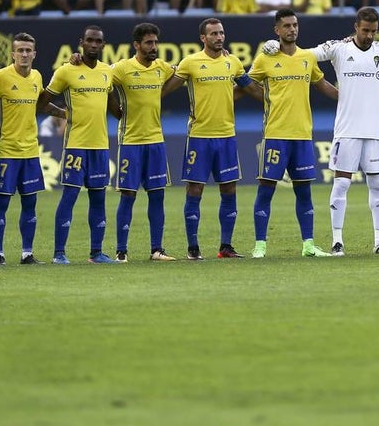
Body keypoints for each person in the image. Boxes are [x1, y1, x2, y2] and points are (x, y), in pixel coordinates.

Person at [161, 17, 258, 261]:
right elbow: (164, 89)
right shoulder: (190, 63)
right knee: (194, 190)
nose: (219, 37)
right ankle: (193, 248)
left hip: (226, 136)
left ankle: (226, 246)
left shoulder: (232, 62)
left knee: (229, 189)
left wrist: (276, 95)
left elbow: (250, 88)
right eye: (213, 34)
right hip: (199, 137)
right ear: (203, 38)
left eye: (221, 33)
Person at [245, 9, 340, 258]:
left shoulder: (307, 58)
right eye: (286, 26)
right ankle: (260, 245)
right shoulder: (265, 59)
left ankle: (308, 244)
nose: (292, 29)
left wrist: (349, 97)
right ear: (277, 30)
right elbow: (246, 84)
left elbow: (323, 85)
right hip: (275, 134)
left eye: (295, 25)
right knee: (266, 189)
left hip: (302, 136)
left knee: (304, 191)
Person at [34, 26, 123, 264]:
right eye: (90, 41)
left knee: (98, 198)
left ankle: (96, 253)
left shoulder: (107, 72)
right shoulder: (66, 71)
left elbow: (115, 107)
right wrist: (64, 113)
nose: (94, 45)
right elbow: (42, 103)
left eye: (98, 41)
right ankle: (59, 253)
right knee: (70, 196)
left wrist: (136, 109)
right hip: (75, 144)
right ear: (81, 42)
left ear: (104, 45)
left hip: (100, 146)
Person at [0, 33, 65, 265]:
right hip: (7, 151)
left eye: (27, 50)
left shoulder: (37, 77)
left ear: (34, 54)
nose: (23, 54)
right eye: (19, 50)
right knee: (2, 202)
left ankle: (26, 253)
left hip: (31, 151)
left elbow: (40, 104)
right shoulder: (0, 77)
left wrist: (64, 113)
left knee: (30, 203)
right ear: (12, 54)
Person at [108, 23, 178, 263]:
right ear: (136, 45)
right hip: (130, 141)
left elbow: (183, 72)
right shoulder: (122, 69)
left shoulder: (162, 68)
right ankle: (121, 251)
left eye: (156, 42)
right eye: (148, 43)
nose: (153, 47)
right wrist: (115, 110)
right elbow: (101, 79)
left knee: (157, 196)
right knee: (128, 195)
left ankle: (157, 250)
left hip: (156, 141)